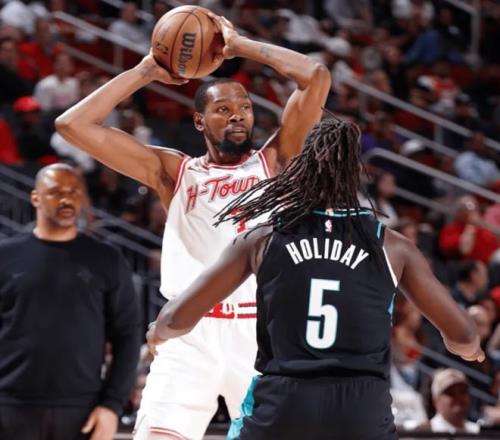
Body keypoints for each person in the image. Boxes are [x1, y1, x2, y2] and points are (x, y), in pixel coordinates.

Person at [56, 12, 331, 440]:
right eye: (223, 109)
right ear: (199, 121)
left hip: (260, 333)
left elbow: (315, 77)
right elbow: (72, 125)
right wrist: (146, 71)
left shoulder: (276, 161)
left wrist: (239, 46)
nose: (237, 116)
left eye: (244, 108)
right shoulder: (174, 172)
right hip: (188, 332)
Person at [147, 117, 484, 440]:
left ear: (302, 169)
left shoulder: (264, 237)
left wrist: (158, 331)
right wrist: (469, 350)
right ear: (356, 174)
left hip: (285, 403)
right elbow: (463, 335)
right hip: (361, 409)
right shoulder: (391, 245)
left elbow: (176, 318)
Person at [0, 163, 141, 440]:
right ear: (35, 198)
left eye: (74, 191)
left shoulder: (106, 259)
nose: (67, 199)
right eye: (56, 192)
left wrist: (112, 405)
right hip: (9, 406)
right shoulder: (5, 257)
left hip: (82, 411)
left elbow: (127, 335)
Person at [430, 369, 480, 434]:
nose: (458, 398)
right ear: (435, 400)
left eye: (462, 392)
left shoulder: (477, 431)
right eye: (451, 393)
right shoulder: (425, 433)